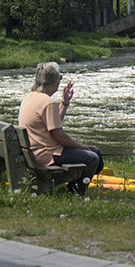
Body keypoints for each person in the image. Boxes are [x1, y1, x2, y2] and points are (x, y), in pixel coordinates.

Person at [18, 62, 103, 196]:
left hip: (34, 152)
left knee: (95, 152)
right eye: (60, 78)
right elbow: (59, 136)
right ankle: (75, 192)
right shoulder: (48, 102)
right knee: (93, 157)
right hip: (46, 154)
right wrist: (80, 147)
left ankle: (74, 185)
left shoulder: (29, 98)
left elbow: (53, 123)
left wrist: (64, 102)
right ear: (53, 82)